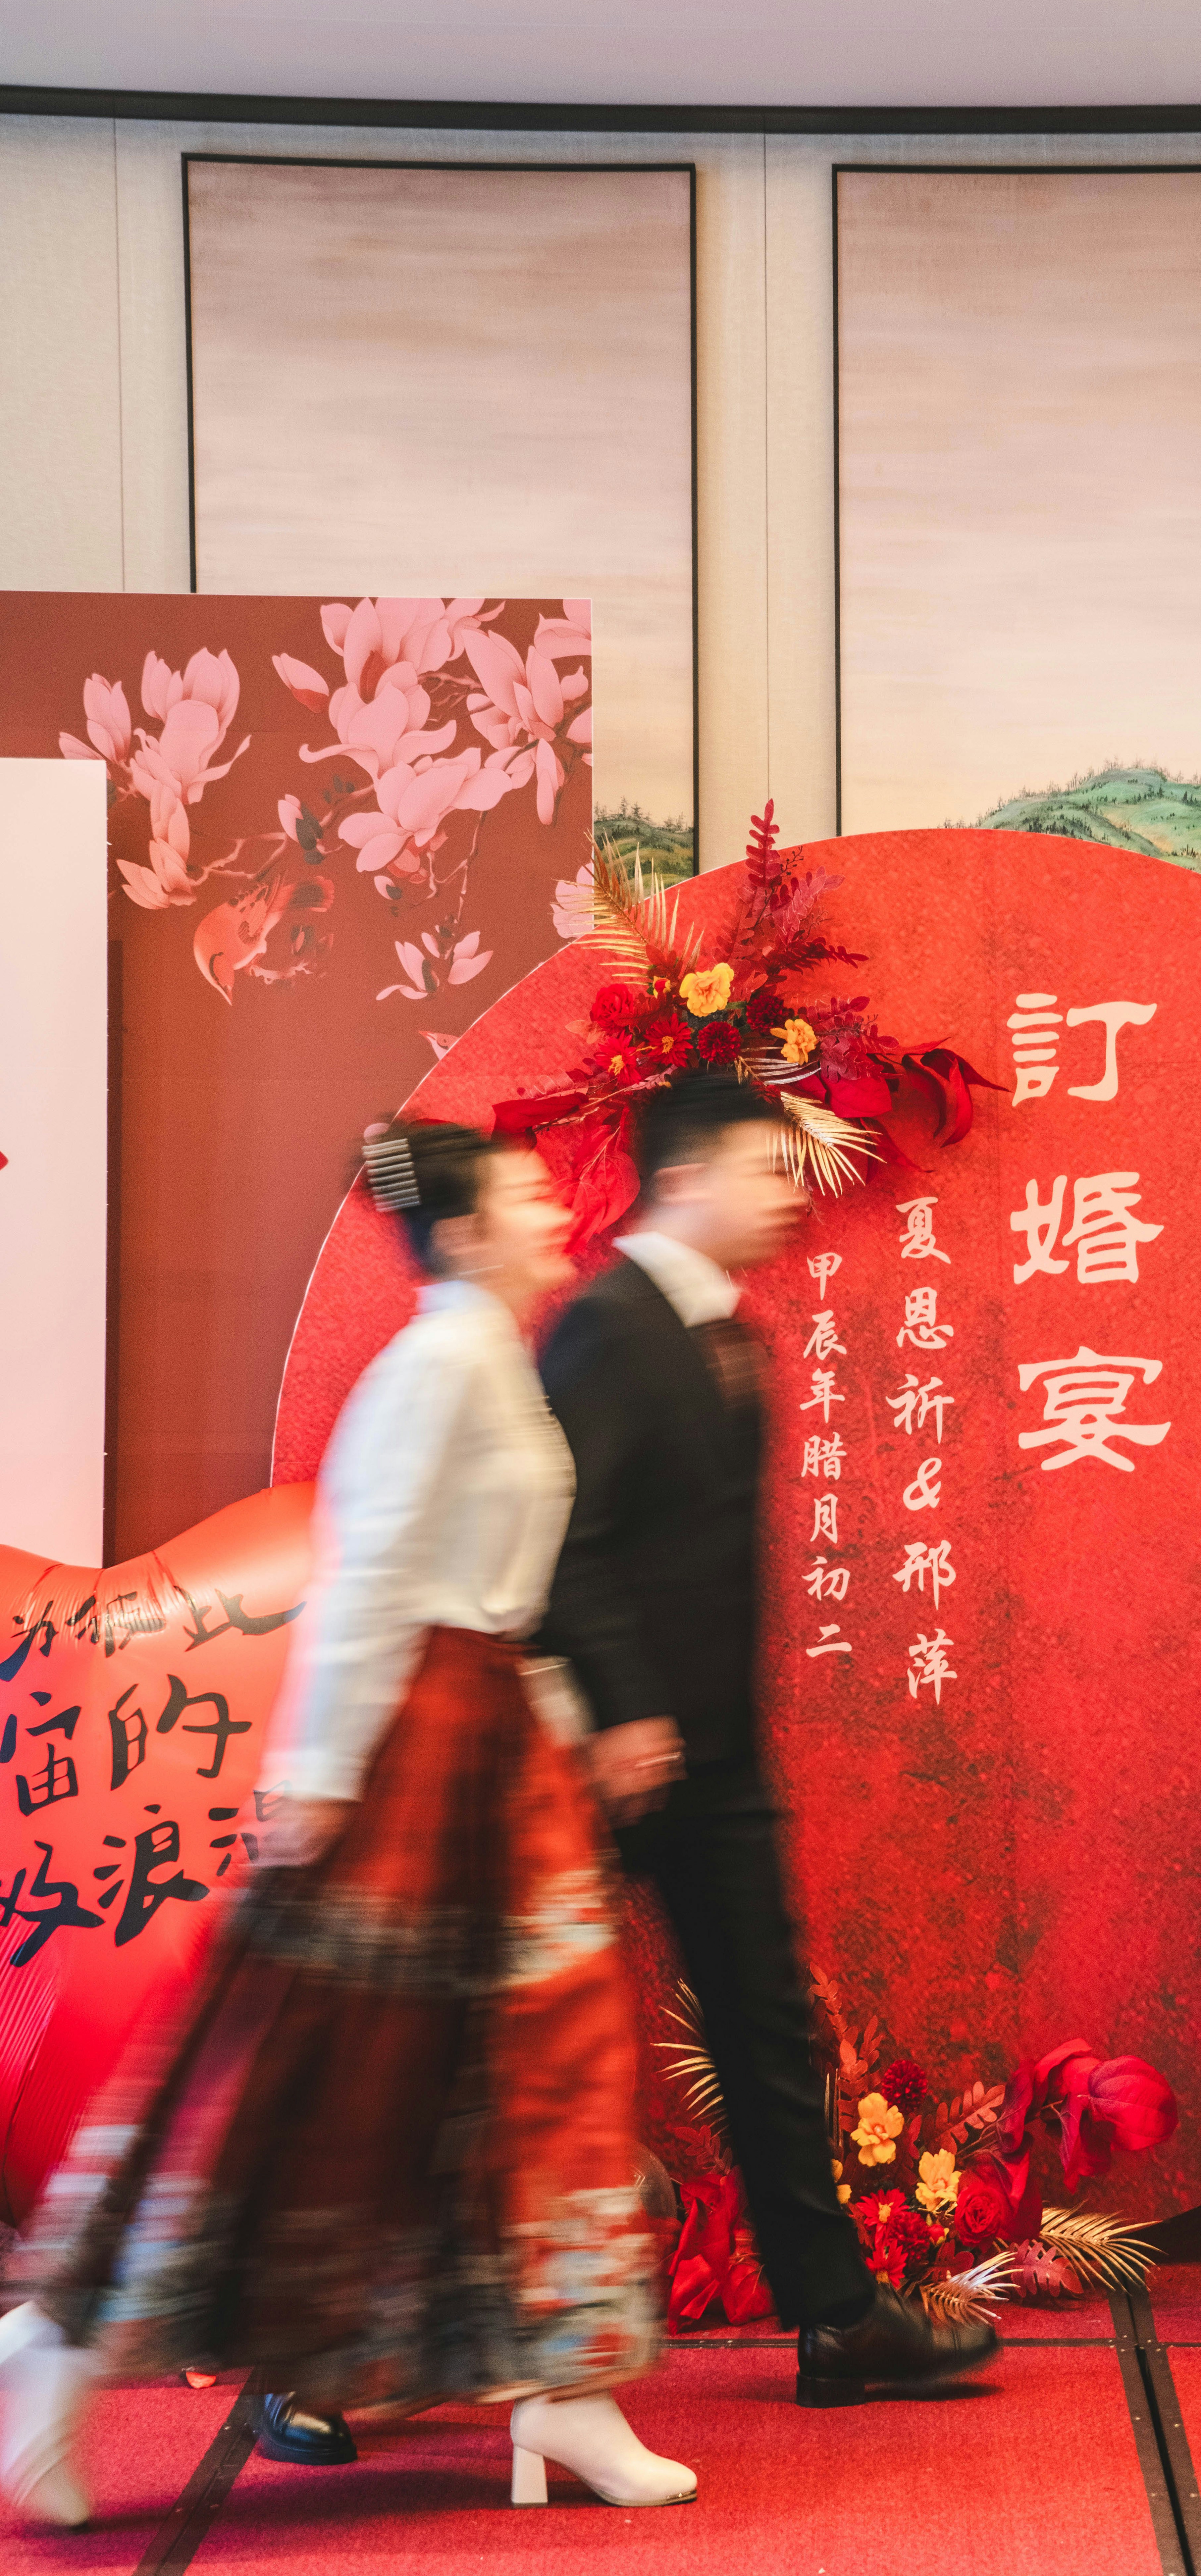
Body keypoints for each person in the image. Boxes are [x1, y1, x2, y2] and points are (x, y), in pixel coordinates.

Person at [0, 1121, 691, 2528]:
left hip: (490, 1749)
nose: (556, 1207)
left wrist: (552, 1716)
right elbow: (370, 1577)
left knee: (528, 2063)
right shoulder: (439, 1366)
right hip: (412, 1759)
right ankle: (61, 2342)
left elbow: (478, 1584)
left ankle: (564, 2381)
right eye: (527, 1193)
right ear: (470, 1228)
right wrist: (315, 1776)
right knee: (294, 2076)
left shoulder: (482, 1354)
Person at [537, 1071, 1000, 2406]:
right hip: (610, 1757)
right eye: (764, 1165)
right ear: (685, 1176)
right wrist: (624, 1708)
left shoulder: (719, 1331)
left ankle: (841, 2318)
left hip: (713, 1759)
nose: (789, 1191)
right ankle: (324, 2353)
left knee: (765, 2025)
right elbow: (564, 1549)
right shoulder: (608, 1330)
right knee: (482, 2038)